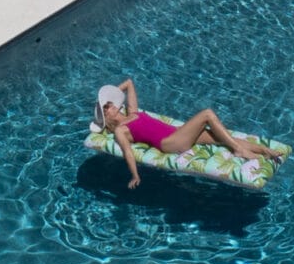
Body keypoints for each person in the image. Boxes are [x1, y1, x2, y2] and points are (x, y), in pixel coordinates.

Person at [94, 79, 283, 188]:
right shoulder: (120, 130)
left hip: (178, 133)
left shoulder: (132, 112)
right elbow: (128, 151)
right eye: (107, 107)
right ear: (106, 117)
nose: (110, 105)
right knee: (207, 114)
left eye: (110, 104)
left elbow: (129, 83)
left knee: (219, 137)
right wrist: (135, 176)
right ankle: (240, 151)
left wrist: (111, 95)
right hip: (169, 142)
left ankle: (263, 150)